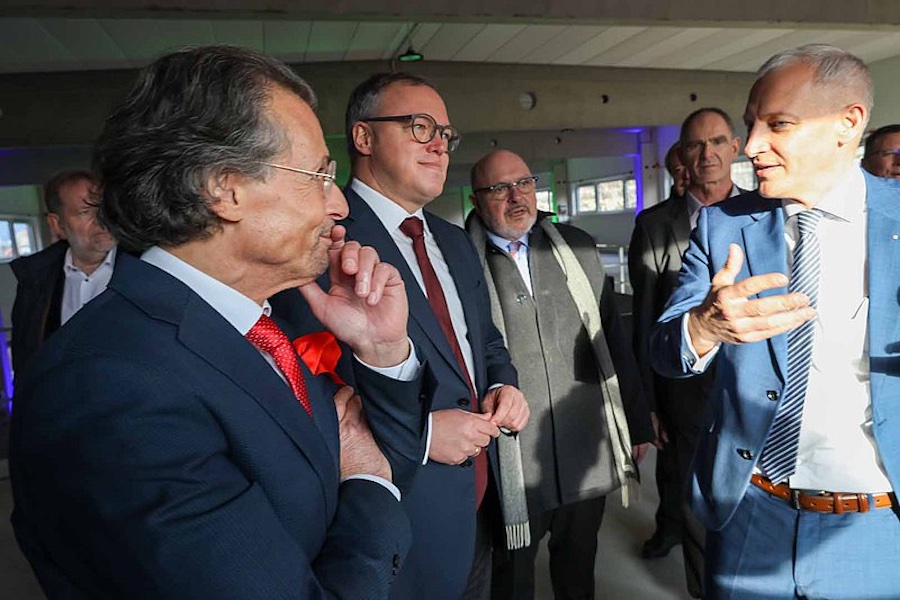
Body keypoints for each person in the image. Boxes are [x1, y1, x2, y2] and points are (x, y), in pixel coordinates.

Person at [10, 45, 431, 599]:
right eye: (318, 176)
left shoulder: (261, 325)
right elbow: (370, 475)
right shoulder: (110, 386)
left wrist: (381, 349)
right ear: (224, 187)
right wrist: (368, 481)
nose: (339, 206)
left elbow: (382, 457)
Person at [650, 44, 900, 599]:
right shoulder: (722, 227)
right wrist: (706, 326)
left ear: (848, 123)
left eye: (778, 125)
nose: (753, 146)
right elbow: (666, 349)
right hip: (748, 514)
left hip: (876, 528)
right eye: (751, 125)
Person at [274, 72, 530, 600]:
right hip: (397, 511)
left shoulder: (455, 242)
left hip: (480, 495)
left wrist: (504, 384)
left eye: (444, 132)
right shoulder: (321, 243)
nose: (440, 143)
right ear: (364, 139)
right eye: (419, 126)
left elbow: (485, 343)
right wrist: (425, 434)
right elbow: (304, 384)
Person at [465, 149, 652, 600]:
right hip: (513, 456)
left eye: (525, 183)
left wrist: (637, 421)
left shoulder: (576, 247)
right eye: (500, 188)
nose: (517, 197)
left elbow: (613, 337)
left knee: (577, 566)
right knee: (512, 576)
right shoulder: (461, 260)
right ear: (476, 199)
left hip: (583, 443)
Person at [10, 170, 116, 379]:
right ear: (56, 225)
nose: (101, 220)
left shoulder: (146, 269)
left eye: (104, 209)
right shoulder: (34, 283)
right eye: (85, 211)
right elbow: (25, 363)